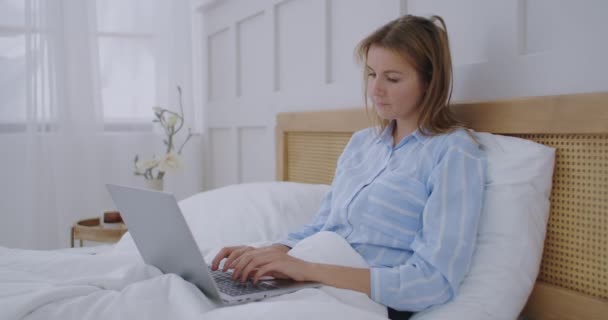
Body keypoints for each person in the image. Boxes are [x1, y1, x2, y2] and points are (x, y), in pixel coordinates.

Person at [211, 14, 485, 320]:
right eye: (371, 74)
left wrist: (307, 269)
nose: (375, 90)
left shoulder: (454, 152)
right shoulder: (362, 144)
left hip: (364, 298)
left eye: (392, 78)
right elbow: (325, 224)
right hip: (315, 274)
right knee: (196, 290)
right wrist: (277, 250)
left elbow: (434, 282)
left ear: (429, 81)